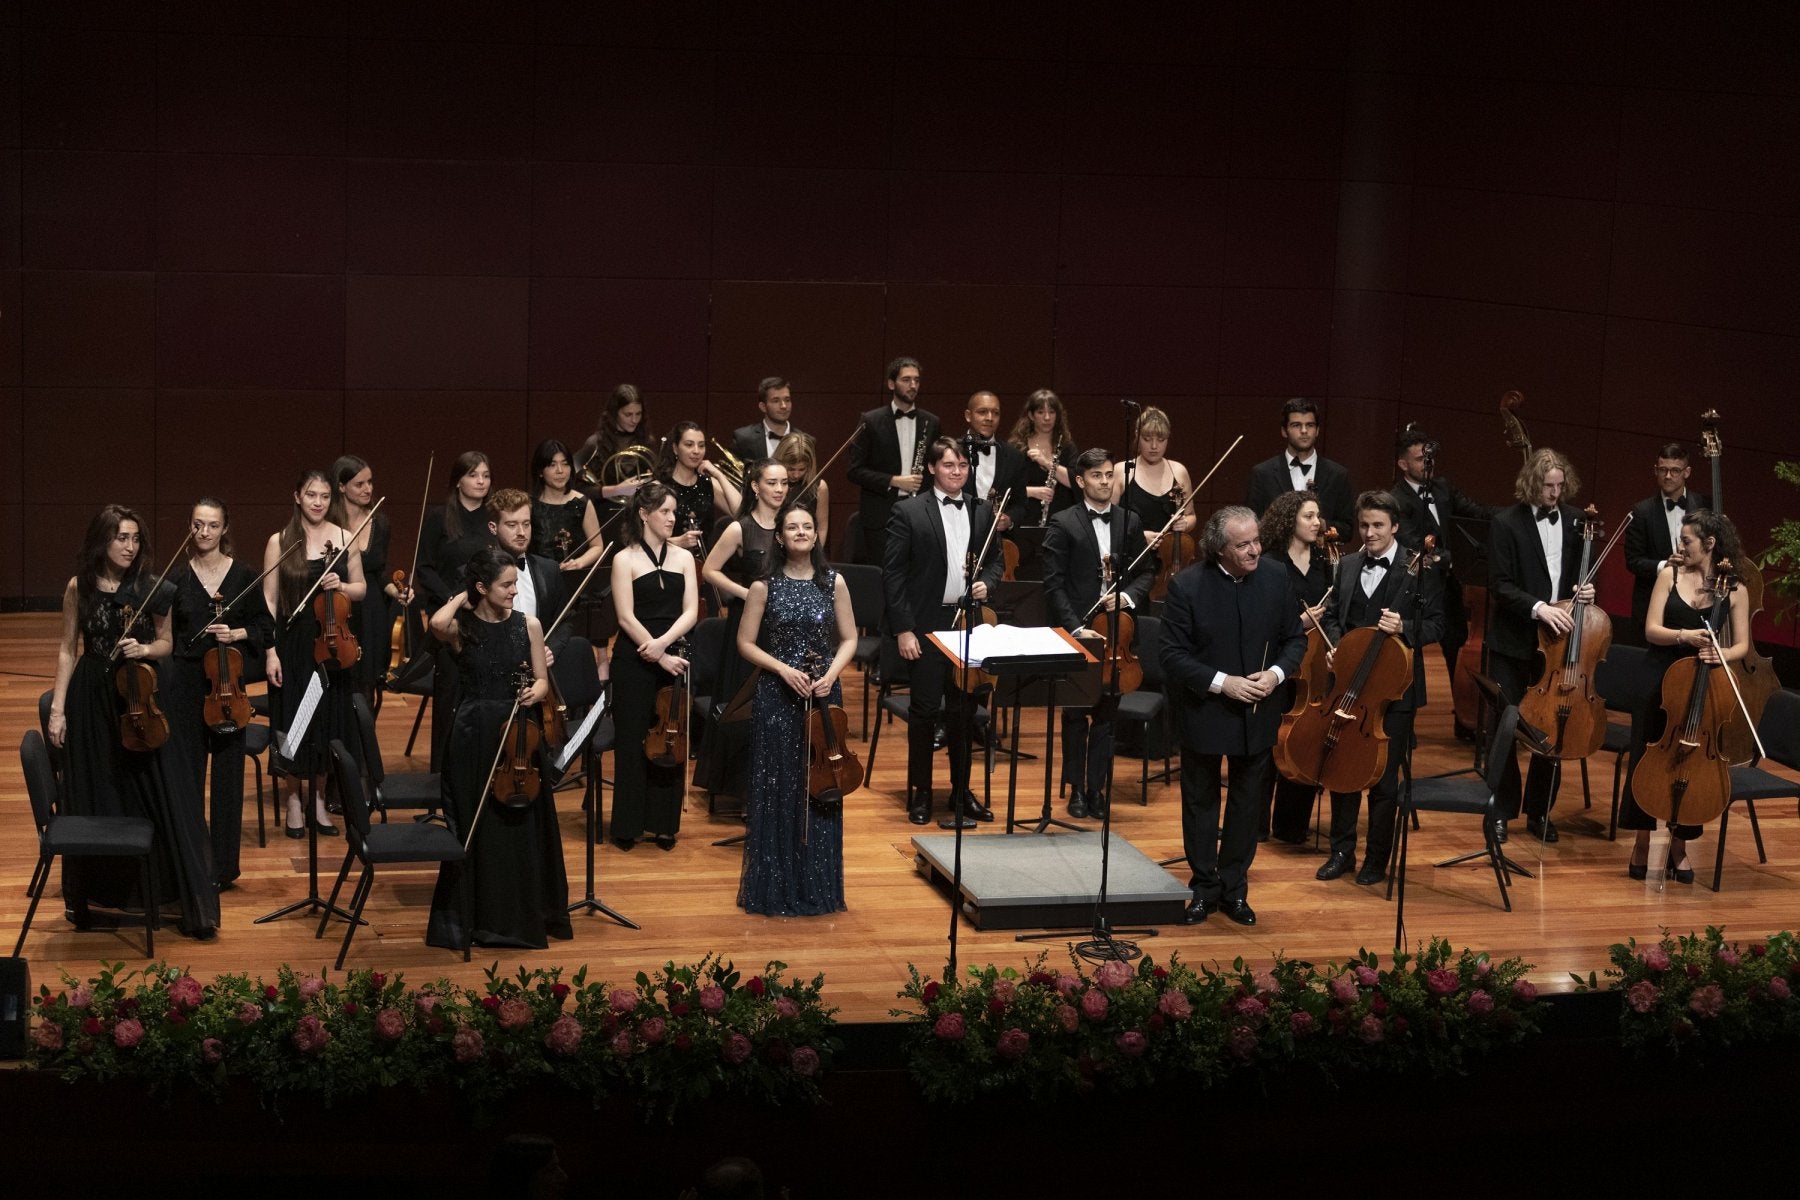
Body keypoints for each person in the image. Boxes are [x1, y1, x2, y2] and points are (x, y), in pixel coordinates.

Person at [46, 505, 220, 938]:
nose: (130, 546)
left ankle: (157, 893)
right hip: (92, 701)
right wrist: (58, 708)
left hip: (140, 697)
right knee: (100, 790)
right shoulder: (79, 587)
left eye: (135, 538)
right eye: (121, 537)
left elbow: (166, 643)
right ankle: (101, 897)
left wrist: (143, 651)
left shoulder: (153, 587)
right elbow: (69, 648)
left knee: (152, 794)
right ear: (102, 541)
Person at [1158, 505, 1306, 927]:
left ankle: (1234, 890)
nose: (1255, 549)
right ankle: (1203, 887)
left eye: (1257, 540)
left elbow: (1295, 640)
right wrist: (1225, 682)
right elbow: (1170, 655)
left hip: (1260, 710)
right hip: (1206, 710)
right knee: (1201, 802)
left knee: (1246, 805)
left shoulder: (1276, 577)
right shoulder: (1187, 586)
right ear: (1219, 549)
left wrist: (1276, 675)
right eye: (1244, 545)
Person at [424, 544, 573, 951]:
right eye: (506, 585)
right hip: (473, 736)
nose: (514, 590)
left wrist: (535, 692)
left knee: (517, 826)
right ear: (482, 587)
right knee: (478, 826)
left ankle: (517, 917)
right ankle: (476, 917)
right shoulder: (463, 627)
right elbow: (437, 623)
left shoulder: (529, 624)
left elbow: (542, 680)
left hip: (517, 737)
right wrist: (463, 595)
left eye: (515, 583)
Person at [1314, 491, 1444, 886]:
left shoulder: (1418, 568)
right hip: (1349, 684)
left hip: (1395, 691)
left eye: (1378, 526)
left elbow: (1439, 626)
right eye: (1365, 525)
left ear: (1395, 528)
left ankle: (1376, 860)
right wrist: (1338, 646)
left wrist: (1404, 627)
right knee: (1342, 768)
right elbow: (1335, 615)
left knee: (1384, 779)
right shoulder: (1349, 564)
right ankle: (1341, 851)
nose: (1369, 533)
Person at [734, 501, 855, 916]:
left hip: (823, 696)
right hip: (778, 695)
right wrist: (784, 670)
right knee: (779, 786)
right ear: (780, 538)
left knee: (822, 786)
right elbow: (746, 644)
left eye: (808, 526)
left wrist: (830, 676)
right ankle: (777, 885)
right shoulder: (763, 586)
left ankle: (817, 885)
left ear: (816, 535)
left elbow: (850, 639)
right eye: (793, 527)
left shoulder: (834, 581)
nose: (802, 532)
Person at [1618, 508, 1751, 883]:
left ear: (1710, 544)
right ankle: (1642, 842)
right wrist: (1684, 637)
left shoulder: (1734, 588)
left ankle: (1679, 847)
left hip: (1701, 681)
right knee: (1647, 757)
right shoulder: (1669, 574)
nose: (1680, 547)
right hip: (1658, 678)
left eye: (1687, 541)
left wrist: (1719, 653)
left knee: (1690, 763)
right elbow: (1650, 630)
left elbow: (1742, 646)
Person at [882, 437, 1004, 826]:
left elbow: (996, 561)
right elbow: (894, 575)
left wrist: (988, 582)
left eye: (963, 466)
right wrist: (904, 629)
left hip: (970, 622)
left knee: (964, 712)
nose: (957, 472)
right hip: (926, 623)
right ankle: (920, 792)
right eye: (949, 465)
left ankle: (961, 791)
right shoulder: (908, 511)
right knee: (924, 711)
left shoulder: (983, 511)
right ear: (933, 468)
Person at [1040, 448, 1157, 819]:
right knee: (1076, 716)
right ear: (1080, 481)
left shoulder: (1130, 521)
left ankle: (1097, 789)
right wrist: (1076, 627)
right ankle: (1076, 789)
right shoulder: (1063, 523)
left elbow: (1146, 573)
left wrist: (1125, 596)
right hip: (1078, 633)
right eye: (1097, 476)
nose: (1105, 482)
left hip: (1117, 637)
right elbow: (1053, 585)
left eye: (1109, 475)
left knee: (1107, 719)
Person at [162, 498, 269, 891]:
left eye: (212, 525)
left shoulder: (243, 577)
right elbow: (164, 638)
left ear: (225, 529)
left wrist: (237, 633)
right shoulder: (175, 581)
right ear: (190, 528)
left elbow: (266, 629)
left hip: (228, 691)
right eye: (197, 525)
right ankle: (190, 860)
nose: (203, 532)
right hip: (187, 689)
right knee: (188, 779)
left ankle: (223, 869)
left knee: (227, 782)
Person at [1487, 447, 1590, 842]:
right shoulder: (1505, 523)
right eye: (1548, 486)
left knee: (1553, 726)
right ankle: (1502, 809)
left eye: (1560, 486)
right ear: (1532, 483)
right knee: (1506, 726)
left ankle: (1540, 812)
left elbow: (1579, 577)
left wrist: (1585, 590)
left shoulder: (1579, 521)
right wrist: (1539, 608)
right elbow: (1500, 585)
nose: (1554, 494)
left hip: (1560, 645)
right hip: (1514, 641)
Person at [263, 468, 367, 839]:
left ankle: (319, 800)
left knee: (326, 721)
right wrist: (270, 652)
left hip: (332, 644)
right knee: (296, 720)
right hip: (293, 646)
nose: (319, 502)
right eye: (311, 495)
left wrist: (343, 584)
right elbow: (270, 600)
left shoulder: (343, 537)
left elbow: (361, 589)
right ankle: (293, 798)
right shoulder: (280, 541)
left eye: (324, 496)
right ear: (297, 496)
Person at [609, 483, 699, 850]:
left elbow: (691, 610)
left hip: (673, 656)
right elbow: (625, 616)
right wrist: (655, 651)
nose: (672, 518)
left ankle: (664, 825)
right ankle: (627, 825)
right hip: (634, 659)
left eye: (674, 511)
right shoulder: (624, 559)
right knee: (632, 742)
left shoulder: (684, 558)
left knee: (670, 741)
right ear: (644, 514)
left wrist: (664, 648)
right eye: (665, 511)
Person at [697, 459, 790, 799]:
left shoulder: (792, 525)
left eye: (783, 483)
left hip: (782, 625)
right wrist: (747, 594)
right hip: (749, 625)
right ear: (756, 487)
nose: (779, 489)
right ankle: (742, 788)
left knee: (781, 705)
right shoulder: (740, 528)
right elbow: (710, 570)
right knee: (746, 705)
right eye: (772, 483)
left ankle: (778, 785)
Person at [1389, 427, 1494, 702]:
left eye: (1428, 458)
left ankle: (1462, 716)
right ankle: (1404, 718)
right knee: (1409, 649)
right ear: (1403, 464)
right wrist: (1454, 559)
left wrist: (1516, 514)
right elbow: (1411, 542)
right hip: (1414, 587)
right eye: (1419, 459)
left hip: (1448, 587)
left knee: (1456, 644)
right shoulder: (1396, 499)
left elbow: (1477, 512)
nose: (1427, 464)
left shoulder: (1443, 487)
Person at [1259, 489, 1332, 844]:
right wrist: (1298, 622)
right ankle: (1255, 824)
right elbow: (1263, 617)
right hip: (1277, 661)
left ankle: (1291, 826)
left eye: (1318, 516)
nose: (1317, 523)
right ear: (1290, 520)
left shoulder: (1326, 561)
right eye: (1308, 516)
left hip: (1314, 666)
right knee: (1267, 742)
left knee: (1304, 740)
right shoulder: (1270, 562)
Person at [847, 355, 940, 567]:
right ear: (891, 383)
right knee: (885, 574)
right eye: (906, 380)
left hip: (921, 513)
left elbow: (938, 467)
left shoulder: (931, 422)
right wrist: (893, 480)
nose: (913, 385)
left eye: (916, 380)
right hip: (881, 516)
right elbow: (854, 470)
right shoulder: (870, 421)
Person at [329, 454, 401, 695]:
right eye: (359, 484)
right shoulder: (327, 522)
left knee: (368, 681)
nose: (367, 489)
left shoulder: (380, 523)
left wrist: (396, 590)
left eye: (370, 482)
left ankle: (365, 730)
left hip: (371, 608)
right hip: (336, 607)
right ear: (341, 486)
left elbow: (379, 574)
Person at [1623, 442, 1709, 636]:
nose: (1668, 476)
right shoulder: (1641, 511)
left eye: (1675, 470)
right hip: (1653, 606)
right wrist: (1664, 565)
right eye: (1663, 470)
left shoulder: (1704, 506)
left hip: (1695, 603)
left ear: (1687, 472)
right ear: (1656, 470)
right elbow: (1633, 561)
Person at [1245, 398, 1355, 536]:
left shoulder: (1338, 474)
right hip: (1276, 556)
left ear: (1317, 430)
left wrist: (1323, 525)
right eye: (1296, 425)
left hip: (1320, 556)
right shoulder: (1262, 473)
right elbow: (1253, 525)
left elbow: (1347, 529)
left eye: (1310, 425)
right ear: (1284, 431)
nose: (1304, 431)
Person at [1114, 405, 1196, 551]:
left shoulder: (1179, 471)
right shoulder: (1122, 471)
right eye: (1147, 439)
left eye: (1161, 439)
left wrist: (1185, 524)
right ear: (1137, 437)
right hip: (1132, 554)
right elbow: (1108, 519)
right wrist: (1138, 535)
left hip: (1169, 558)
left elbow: (1191, 516)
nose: (1154, 446)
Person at [658, 420, 743, 558]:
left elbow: (742, 514)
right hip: (666, 562)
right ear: (675, 448)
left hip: (703, 564)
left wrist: (719, 475)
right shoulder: (660, 486)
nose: (696, 451)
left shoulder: (708, 483)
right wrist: (677, 542)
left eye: (701, 445)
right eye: (689, 445)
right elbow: (642, 539)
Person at [573, 382, 654, 517]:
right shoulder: (595, 443)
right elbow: (578, 489)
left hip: (637, 516)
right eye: (628, 414)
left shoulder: (646, 441)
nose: (634, 420)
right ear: (614, 413)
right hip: (602, 516)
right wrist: (616, 490)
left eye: (638, 414)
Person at [957, 390, 1036, 528]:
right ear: (968, 416)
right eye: (982, 412)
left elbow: (1021, 504)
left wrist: (1009, 519)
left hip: (998, 542)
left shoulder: (1014, 457)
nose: (990, 417)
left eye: (995, 413)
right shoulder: (950, 452)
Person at [528, 437, 607, 572]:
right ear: (540, 471)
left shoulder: (581, 502)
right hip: (539, 577)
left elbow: (597, 546)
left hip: (573, 577)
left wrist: (578, 563)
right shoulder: (529, 504)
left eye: (565, 464)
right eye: (552, 465)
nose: (560, 471)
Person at [1008, 387, 1080, 527]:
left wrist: (1047, 463)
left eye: (1051, 412)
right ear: (1031, 415)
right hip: (1025, 522)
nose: (1047, 418)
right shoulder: (1017, 447)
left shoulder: (1066, 446)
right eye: (1041, 412)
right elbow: (1006, 487)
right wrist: (1033, 492)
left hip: (1062, 523)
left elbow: (1076, 481)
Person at [773, 431, 830, 548]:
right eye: (791, 469)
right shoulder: (771, 485)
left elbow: (822, 527)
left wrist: (815, 554)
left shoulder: (819, 487)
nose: (796, 475)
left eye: (801, 469)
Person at [732, 375, 801, 463]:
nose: (784, 406)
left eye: (787, 400)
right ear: (763, 407)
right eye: (776, 401)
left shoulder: (806, 440)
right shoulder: (743, 438)